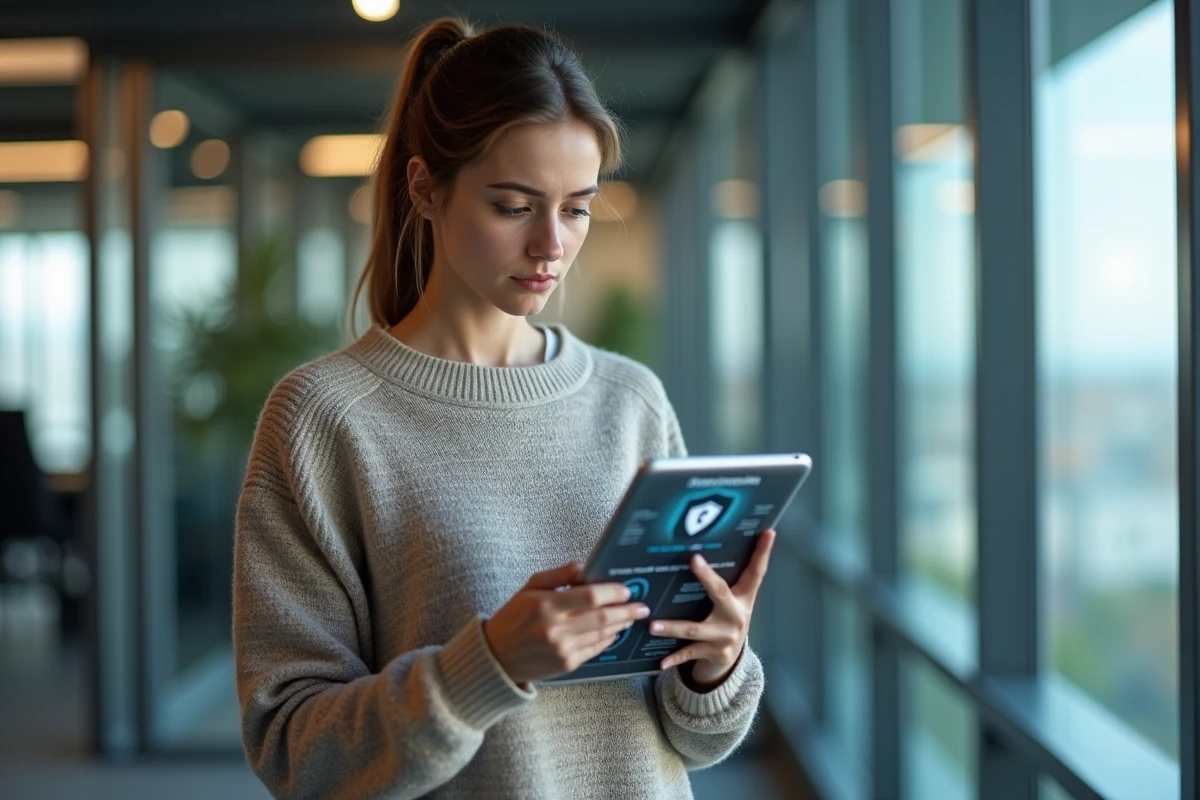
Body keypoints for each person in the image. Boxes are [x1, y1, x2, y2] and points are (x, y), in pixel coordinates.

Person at [233, 16, 776, 800]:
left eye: (579, 208)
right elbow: (294, 751)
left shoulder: (630, 402)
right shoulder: (325, 419)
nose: (551, 245)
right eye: (515, 206)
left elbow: (695, 738)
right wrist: (485, 665)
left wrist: (716, 663)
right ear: (424, 186)